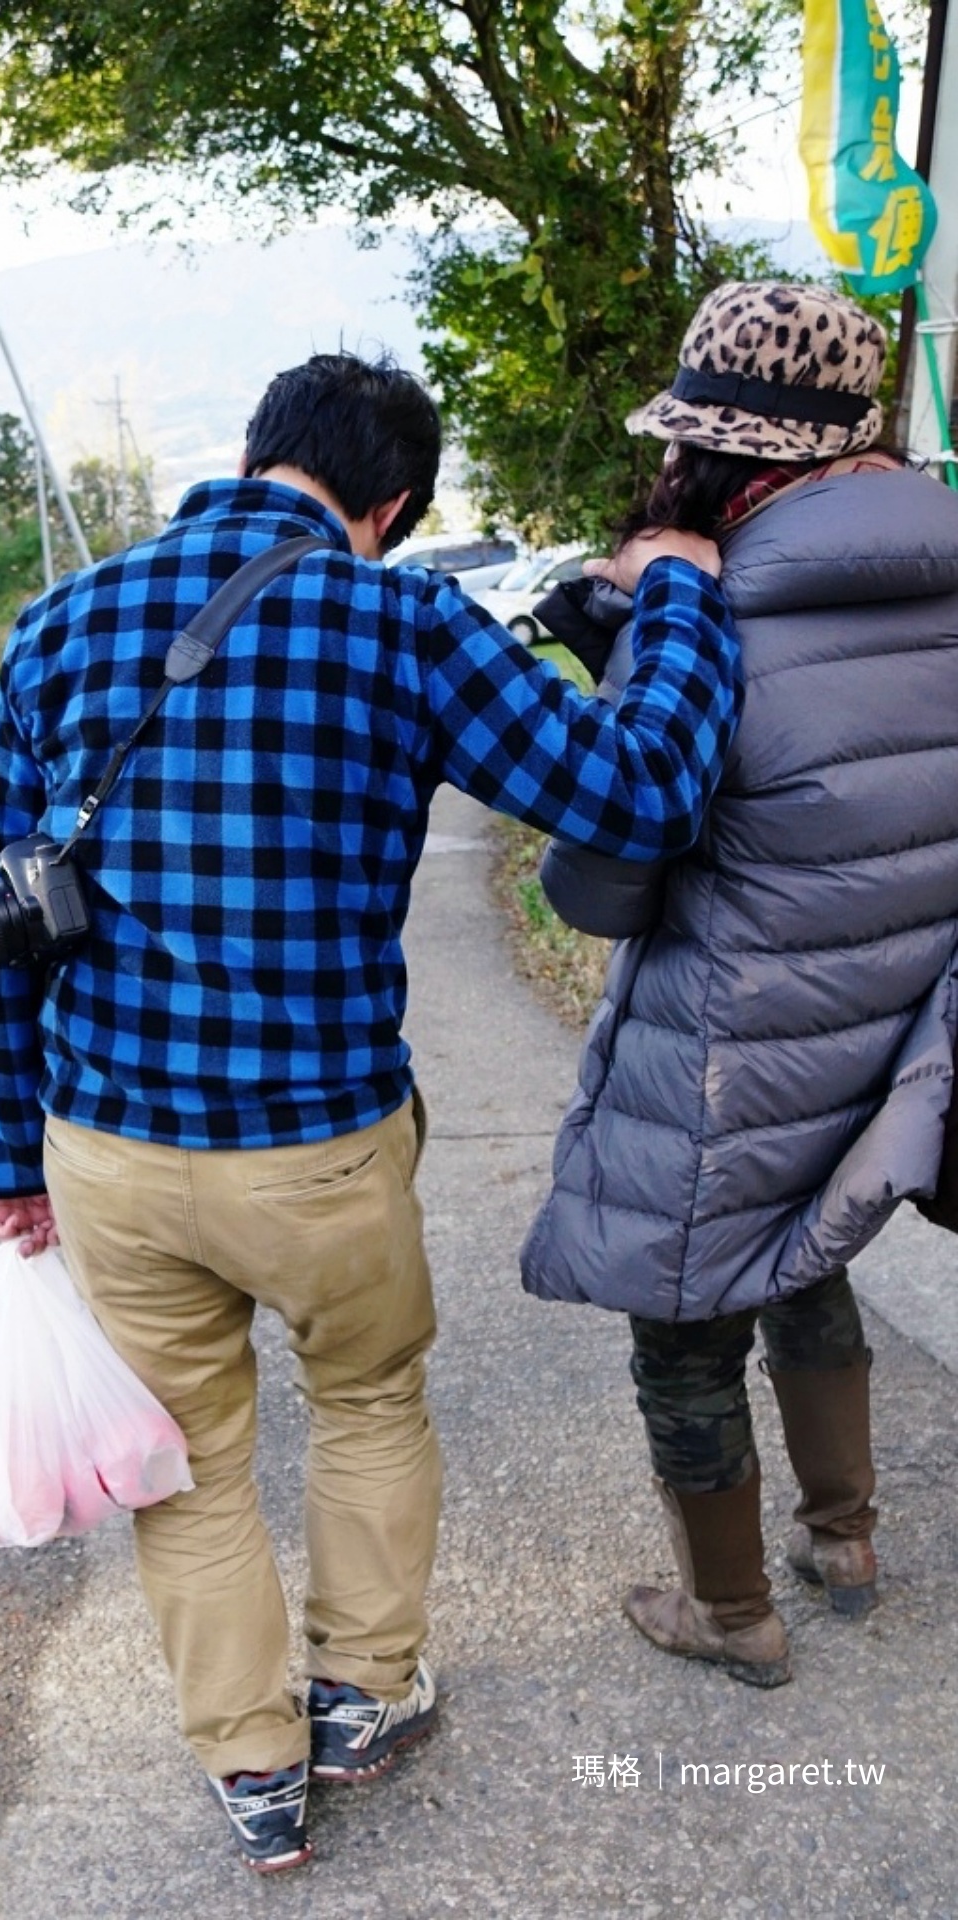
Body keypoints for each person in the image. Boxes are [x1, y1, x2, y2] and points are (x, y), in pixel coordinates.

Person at [0, 349, 742, 1870]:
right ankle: (364, 1698)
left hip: (113, 1144)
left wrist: (8, 1155)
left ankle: (253, 1770)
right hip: (323, 1144)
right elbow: (644, 791)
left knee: (183, 1459)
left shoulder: (56, 626)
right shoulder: (400, 618)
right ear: (388, 505)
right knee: (371, 1404)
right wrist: (681, 601)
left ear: (256, 454)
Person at [521, 282, 958, 1688]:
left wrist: (625, 637)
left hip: (730, 1034)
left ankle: (733, 1614)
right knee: (809, 1250)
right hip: (889, 1019)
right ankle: (846, 1540)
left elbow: (600, 880)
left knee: (688, 1318)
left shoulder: (703, 612)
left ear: (723, 455)